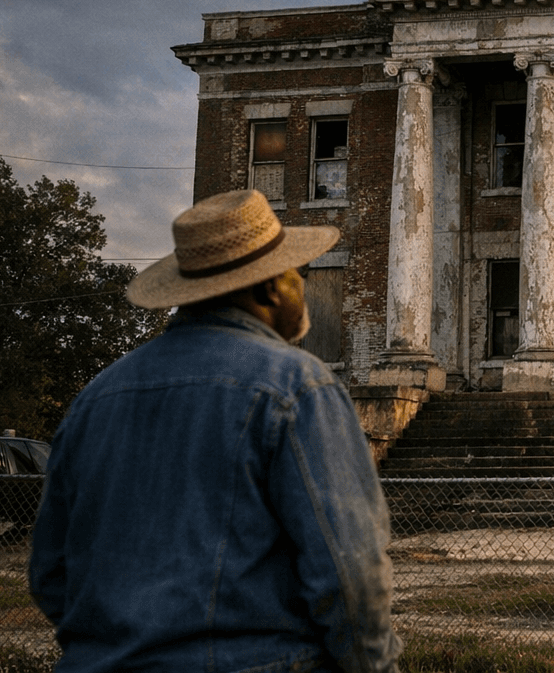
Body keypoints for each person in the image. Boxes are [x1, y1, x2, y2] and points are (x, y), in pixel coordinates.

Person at [30, 189, 402, 672]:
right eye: (299, 274)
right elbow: (350, 575)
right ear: (271, 288)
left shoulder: (96, 397)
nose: (303, 287)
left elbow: (49, 572)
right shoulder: (297, 386)